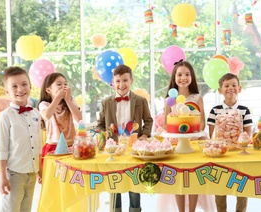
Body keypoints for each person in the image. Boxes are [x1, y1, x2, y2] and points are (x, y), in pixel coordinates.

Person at [158, 60, 215, 212]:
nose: (183, 78)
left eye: (187, 74)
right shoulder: (170, 100)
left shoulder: (197, 98)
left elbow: (201, 122)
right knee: (178, 179)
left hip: (194, 144)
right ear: (174, 77)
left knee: (193, 178)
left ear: (192, 77)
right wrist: (177, 134)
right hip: (175, 145)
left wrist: (193, 133)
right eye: (180, 74)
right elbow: (165, 124)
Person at [96, 64, 153, 212]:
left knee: (134, 182)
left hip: (135, 149)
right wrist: (105, 136)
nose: (121, 85)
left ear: (131, 80)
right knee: (115, 182)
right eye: (118, 81)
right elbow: (100, 124)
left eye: (125, 80)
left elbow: (148, 120)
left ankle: (135, 209)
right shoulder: (106, 102)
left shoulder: (140, 101)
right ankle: (116, 209)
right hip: (114, 151)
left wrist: (144, 136)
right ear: (113, 82)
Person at [0, 66, 42, 211]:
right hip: (14, 173)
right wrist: (2, 176)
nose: (20, 89)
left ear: (30, 86)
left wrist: (39, 169)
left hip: (31, 172)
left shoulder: (35, 113)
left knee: (26, 208)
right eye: (14, 86)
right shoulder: (5, 116)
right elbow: (1, 149)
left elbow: (37, 143)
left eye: (23, 84)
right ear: (7, 91)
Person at [207, 73, 252, 212]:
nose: (230, 88)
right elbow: (212, 135)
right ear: (220, 90)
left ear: (240, 88)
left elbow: (247, 134)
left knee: (242, 185)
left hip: (239, 154)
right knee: (220, 184)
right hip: (221, 155)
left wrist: (240, 144)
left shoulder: (244, 110)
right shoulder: (215, 111)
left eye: (234, 85)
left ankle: (241, 210)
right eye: (226, 85)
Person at [38, 72, 82, 163]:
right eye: (59, 84)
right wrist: (57, 98)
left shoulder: (70, 101)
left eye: (65, 84)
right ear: (48, 90)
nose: (63, 86)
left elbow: (80, 119)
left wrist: (67, 99)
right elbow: (46, 115)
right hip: (53, 146)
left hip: (71, 145)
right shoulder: (44, 104)